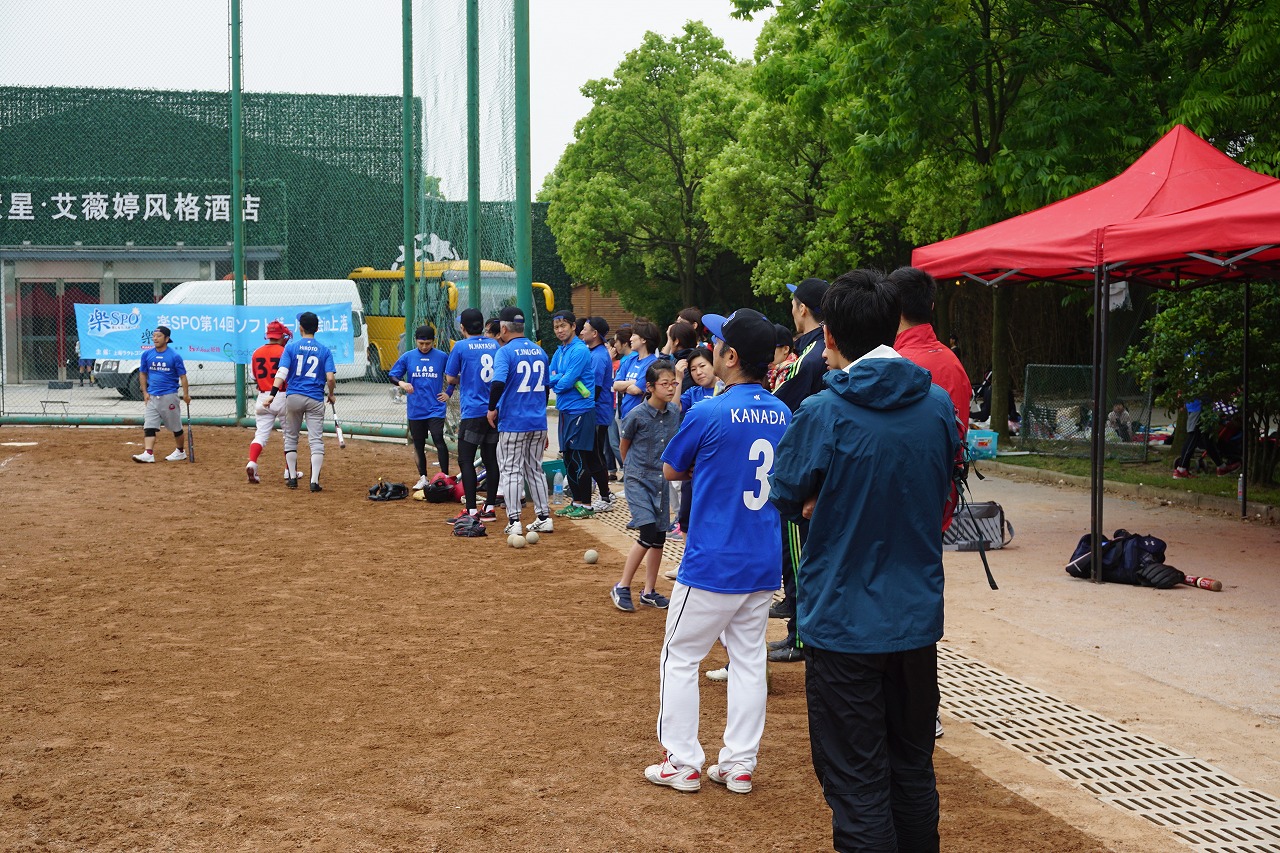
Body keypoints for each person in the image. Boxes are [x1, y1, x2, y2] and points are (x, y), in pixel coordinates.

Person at [769, 269, 960, 853]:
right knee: (911, 768)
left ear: (829, 336)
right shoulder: (936, 405)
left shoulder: (823, 412)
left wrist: (821, 497)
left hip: (843, 623)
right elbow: (940, 485)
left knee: (856, 783)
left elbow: (786, 493)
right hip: (914, 620)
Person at [644, 308, 789, 797]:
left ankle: (683, 762)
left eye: (719, 343)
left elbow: (671, 468)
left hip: (713, 560)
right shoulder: (783, 411)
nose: (712, 348)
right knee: (748, 660)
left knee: (680, 656)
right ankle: (739, 764)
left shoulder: (709, 410)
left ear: (731, 357)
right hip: (762, 557)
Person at [888, 266, 972, 740]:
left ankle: (908, 705)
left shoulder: (893, 363)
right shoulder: (951, 363)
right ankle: (923, 707)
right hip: (935, 503)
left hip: (891, 501)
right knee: (919, 602)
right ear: (932, 306)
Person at [769, 276, 830, 664]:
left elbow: (780, 404)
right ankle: (800, 632)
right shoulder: (824, 348)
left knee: (798, 558)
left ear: (802, 308)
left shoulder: (810, 356)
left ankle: (801, 637)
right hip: (818, 468)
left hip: (805, 471)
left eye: (794, 303)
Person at [610, 360, 680, 613]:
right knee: (648, 533)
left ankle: (649, 591)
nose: (670, 388)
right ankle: (622, 586)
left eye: (673, 383)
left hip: (661, 480)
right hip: (638, 479)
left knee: (659, 537)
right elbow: (624, 446)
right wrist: (631, 471)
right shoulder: (636, 415)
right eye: (665, 384)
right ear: (650, 387)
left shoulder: (674, 413)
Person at [487, 305, 554, 536]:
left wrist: (491, 408)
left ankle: (514, 520)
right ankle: (544, 517)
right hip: (537, 421)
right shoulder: (540, 351)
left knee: (511, 470)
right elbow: (546, 389)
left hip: (514, 421)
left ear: (504, 329)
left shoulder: (505, 352)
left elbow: (498, 383)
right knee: (534, 469)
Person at [266, 311, 335, 492]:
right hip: (315, 398)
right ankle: (314, 482)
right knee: (316, 440)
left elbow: (282, 373)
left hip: (294, 397)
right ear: (317, 329)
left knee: (291, 437)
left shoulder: (291, 348)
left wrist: (272, 394)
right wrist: (331, 394)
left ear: (300, 328)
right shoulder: (325, 351)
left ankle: (292, 478)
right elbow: (330, 378)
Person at [445, 308, 501, 523]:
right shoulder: (495, 345)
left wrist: (466, 377)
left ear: (463, 327)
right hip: (493, 410)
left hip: (473, 412)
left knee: (466, 460)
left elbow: (450, 378)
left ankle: (470, 511)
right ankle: (490, 508)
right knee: (490, 459)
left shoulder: (461, 346)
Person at [548, 310, 598, 519]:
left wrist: (559, 381)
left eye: (563, 326)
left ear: (573, 327)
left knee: (579, 457)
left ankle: (587, 505)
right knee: (568, 458)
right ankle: (576, 501)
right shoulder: (560, 351)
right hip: (565, 410)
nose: (559, 330)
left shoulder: (579, 350)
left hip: (581, 410)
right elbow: (550, 376)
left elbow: (565, 382)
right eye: (556, 327)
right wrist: (560, 378)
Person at [390, 324, 451, 490]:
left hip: (435, 407)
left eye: (428, 343)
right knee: (418, 443)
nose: (424, 347)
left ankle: (444, 476)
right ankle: (423, 477)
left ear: (434, 341)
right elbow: (393, 375)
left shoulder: (442, 357)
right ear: (416, 341)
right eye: (421, 343)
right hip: (416, 408)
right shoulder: (408, 357)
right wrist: (402, 383)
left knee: (438, 438)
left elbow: (453, 376)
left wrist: (448, 392)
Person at [131, 325, 191, 463]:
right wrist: (145, 392)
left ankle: (180, 451)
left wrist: (186, 394)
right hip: (152, 396)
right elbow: (143, 373)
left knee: (175, 427)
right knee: (149, 425)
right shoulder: (147, 355)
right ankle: (148, 453)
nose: (155, 338)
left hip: (169, 395)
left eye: (159, 336)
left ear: (167, 339)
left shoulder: (174, 356)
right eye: (154, 336)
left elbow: (183, 376)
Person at [245, 320, 291, 483]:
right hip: (283, 395)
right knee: (289, 436)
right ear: (280, 336)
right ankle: (289, 471)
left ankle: (252, 462)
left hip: (263, 397)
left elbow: (253, 377)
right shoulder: (285, 351)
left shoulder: (256, 352)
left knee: (260, 435)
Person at [580, 316, 618, 511]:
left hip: (597, 413)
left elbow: (593, 389)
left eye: (585, 329)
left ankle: (605, 496)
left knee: (594, 456)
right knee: (594, 455)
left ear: (595, 334)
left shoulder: (598, 356)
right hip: (597, 412)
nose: (581, 332)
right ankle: (605, 494)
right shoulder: (596, 352)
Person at [614, 319, 660, 423]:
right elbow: (616, 385)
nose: (630, 339)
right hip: (626, 416)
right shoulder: (630, 360)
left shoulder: (653, 363)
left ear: (643, 339)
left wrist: (625, 386)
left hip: (642, 420)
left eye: (634, 335)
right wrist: (634, 381)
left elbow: (635, 390)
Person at [1174, 398, 1227, 478]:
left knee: (1206, 437)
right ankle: (1181, 469)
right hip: (1198, 406)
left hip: (1200, 406)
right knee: (1194, 435)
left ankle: (1221, 467)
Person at [766, 323, 796, 392]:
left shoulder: (789, 372)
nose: (766, 354)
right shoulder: (773, 372)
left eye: (771, 348)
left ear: (785, 349)